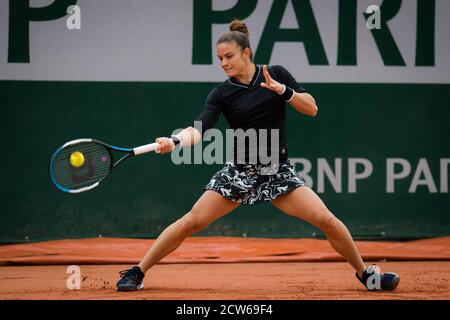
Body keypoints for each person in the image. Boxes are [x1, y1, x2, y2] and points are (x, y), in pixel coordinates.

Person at [116, 20, 399, 292]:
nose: (224, 63)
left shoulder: (275, 73)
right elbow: (200, 129)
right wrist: (175, 140)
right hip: (239, 172)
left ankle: (366, 275)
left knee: (326, 220)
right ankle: (137, 272)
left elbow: (312, 108)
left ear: (246, 53)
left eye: (229, 56)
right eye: (219, 59)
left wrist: (284, 91)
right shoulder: (221, 93)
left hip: (277, 172)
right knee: (191, 221)